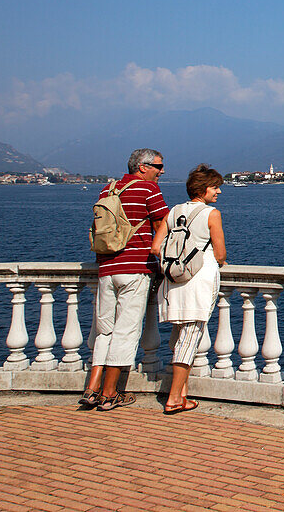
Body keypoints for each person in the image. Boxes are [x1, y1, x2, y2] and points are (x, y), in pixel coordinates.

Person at [81, 148, 169, 411]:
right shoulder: (148, 190)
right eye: (158, 166)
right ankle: (110, 393)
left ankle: (92, 388)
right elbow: (163, 224)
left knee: (104, 330)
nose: (161, 171)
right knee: (126, 331)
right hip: (135, 269)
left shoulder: (108, 190)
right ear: (143, 167)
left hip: (107, 268)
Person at [151, 164, 226, 414]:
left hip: (174, 280)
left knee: (180, 336)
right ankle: (174, 399)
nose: (218, 192)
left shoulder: (173, 212)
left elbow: (155, 248)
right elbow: (220, 253)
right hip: (199, 281)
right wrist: (218, 260)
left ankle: (182, 394)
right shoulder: (211, 214)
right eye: (215, 187)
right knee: (190, 338)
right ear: (204, 189)